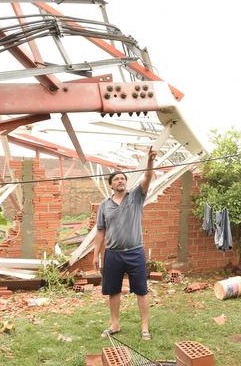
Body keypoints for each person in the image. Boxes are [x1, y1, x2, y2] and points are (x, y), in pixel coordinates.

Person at [93, 146, 156, 341]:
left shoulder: (136, 197)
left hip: (135, 251)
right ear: (111, 185)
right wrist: (96, 254)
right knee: (113, 290)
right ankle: (115, 324)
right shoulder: (105, 205)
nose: (121, 180)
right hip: (112, 253)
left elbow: (147, 178)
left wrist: (150, 161)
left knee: (141, 290)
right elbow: (100, 230)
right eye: (117, 179)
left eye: (123, 178)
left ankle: (145, 327)